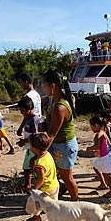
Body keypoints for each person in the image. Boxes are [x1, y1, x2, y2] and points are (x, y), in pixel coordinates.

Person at [41, 69, 79, 201]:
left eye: (43, 85)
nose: (42, 88)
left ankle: (76, 203)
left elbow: (51, 134)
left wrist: (41, 152)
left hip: (64, 146)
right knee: (58, 174)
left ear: (52, 86)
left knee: (67, 178)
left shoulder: (59, 107)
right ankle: (62, 190)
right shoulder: (56, 102)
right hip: (59, 144)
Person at [24, 132, 59, 221]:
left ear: (34, 148)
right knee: (53, 205)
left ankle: (36, 218)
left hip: (45, 189)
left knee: (35, 204)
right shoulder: (47, 154)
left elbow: (41, 178)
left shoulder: (39, 163)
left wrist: (34, 189)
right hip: (54, 185)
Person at [86, 115, 111, 198]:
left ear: (96, 125)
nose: (91, 129)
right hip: (104, 156)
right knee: (96, 167)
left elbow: (97, 146)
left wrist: (89, 148)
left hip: (104, 158)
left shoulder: (99, 134)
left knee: (107, 175)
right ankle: (103, 184)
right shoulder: (104, 131)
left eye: (91, 127)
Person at [16, 96, 39, 191]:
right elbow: (25, 119)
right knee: (28, 167)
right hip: (29, 146)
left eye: (22, 110)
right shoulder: (28, 117)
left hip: (33, 147)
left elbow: (35, 135)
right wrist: (20, 128)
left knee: (28, 167)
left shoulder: (34, 119)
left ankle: (28, 185)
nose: (21, 112)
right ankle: (28, 184)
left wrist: (23, 141)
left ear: (29, 109)